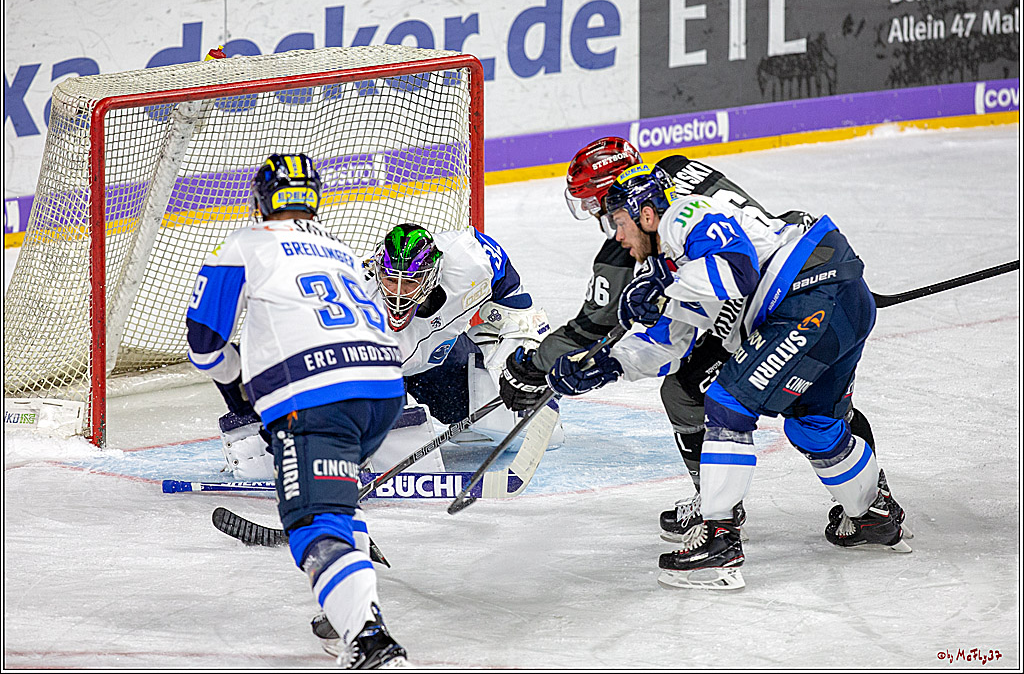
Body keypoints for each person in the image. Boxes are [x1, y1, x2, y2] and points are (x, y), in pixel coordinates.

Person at [500, 137, 884, 545]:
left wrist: (664, 286)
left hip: (790, 293)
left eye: (611, 217)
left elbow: (737, 269)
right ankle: (871, 506)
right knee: (811, 418)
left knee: (720, 398)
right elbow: (672, 337)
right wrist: (610, 366)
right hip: (794, 287)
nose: (614, 235)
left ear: (635, 206)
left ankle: (719, 527)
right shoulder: (675, 196)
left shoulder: (679, 216)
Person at [185, 153, 409, 666]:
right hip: (383, 390)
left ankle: (370, 640)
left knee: (313, 521)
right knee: (339, 507)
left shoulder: (245, 244)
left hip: (317, 399)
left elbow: (204, 346)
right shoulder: (342, 251)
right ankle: (346, 612)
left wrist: (239, 384)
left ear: (261, 199)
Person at [366, 221, 554, 443]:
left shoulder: (470, 258)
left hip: (439, 363)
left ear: (431, 276)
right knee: (385, 442)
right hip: (379, 372)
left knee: (502, 418)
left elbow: (520, 312)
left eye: (409, 282)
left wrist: (527, 368)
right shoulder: (357, 300)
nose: (398, 294)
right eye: (390, 280)